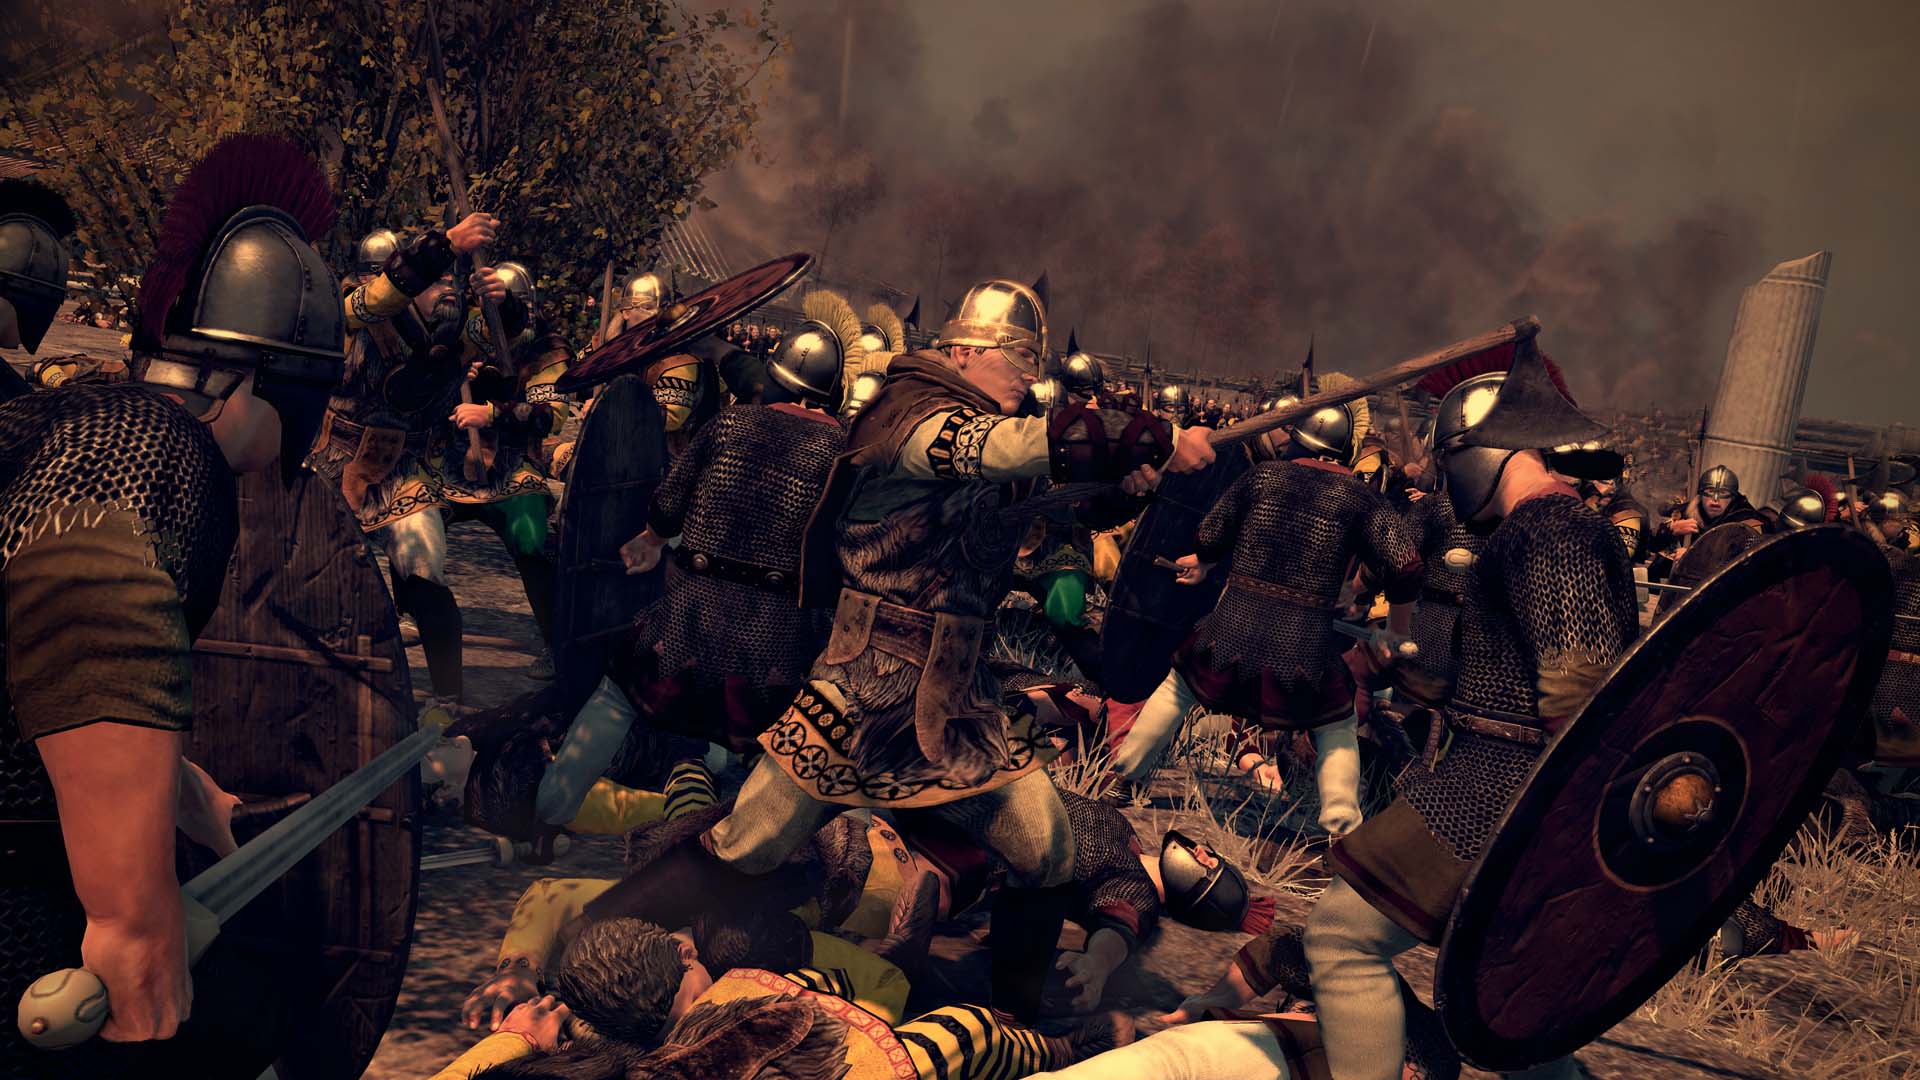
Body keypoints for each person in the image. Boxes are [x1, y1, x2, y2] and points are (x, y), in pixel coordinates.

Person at [571, 276, 1215, 1021]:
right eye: (1016, 359)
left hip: (960, 703)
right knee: (750, 842)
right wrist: (1154, 436)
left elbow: (1041, 496)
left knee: (1047, 849)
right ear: (967, 351)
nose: (1028, 377)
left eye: (1033, 364)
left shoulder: (988, 432)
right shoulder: (908, 415)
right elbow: (996, 451)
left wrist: (1124, 485)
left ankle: (1014, 1020)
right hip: (866, 685)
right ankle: (586, 944)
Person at [1164, 341, 1637, 1080]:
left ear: (1479, 450)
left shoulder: (1550, 529)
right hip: (1497, 780)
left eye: (1450, 461)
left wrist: (1558, 828)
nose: (1446, 480)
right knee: (1499, 1001)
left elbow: (1581, 697)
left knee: (1342, 938)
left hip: (1504, 791)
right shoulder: (1542, 528)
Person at [0, 135, 348, 1077]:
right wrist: (130, 913)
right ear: (268, 381)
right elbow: (88, 612)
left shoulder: (70, 418)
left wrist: (189, 797)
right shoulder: (151, 441)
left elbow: (24, 673)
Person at [532, 293, 859, 830]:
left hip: (690, 617)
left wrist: (653, 539)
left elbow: (669, 503)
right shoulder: (843, 456)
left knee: (616, 699)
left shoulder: (730, 426)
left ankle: (549, 810)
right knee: (772, 742)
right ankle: (752, 845)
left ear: (773, 379)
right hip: (775, 636)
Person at [1102, 400, 1421, 820]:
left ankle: (1124, 779)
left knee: (1176, 691)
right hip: (1303, 639)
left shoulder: (1262, 477)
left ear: (1298, 439)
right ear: (1347, 448)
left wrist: (1204, 563)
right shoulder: (1362, 499)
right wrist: (1397, 629)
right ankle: (1341, 824)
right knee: (1335, 725)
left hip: (1234, 624)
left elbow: (1212, 532)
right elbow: (1405, 566)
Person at [308, 216, 560, 703]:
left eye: (450, 278)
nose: (447, 285)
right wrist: (446, 244)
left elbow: (504, 336)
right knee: (313, 572)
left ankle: (446, 702)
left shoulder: (452, 325)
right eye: (436, 277)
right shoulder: (354, 311)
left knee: (424, 566)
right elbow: (378, 300)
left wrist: (503, 304)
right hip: (332, 463)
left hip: (403, 470)